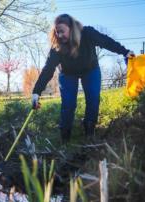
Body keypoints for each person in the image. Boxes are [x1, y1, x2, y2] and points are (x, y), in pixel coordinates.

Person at [31, 14, 135, 144]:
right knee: (68, 104)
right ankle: (65, 136)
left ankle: (89, 130)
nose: (59, 35)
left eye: (62, 31)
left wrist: (124, 51)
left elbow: (106, 42)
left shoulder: (87, 33)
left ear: (71, 28)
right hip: (68, 74)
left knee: (93, 99)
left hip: (90, 70)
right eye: (57, 32)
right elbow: (48, 69)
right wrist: (36, 92)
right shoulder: (56, 47)